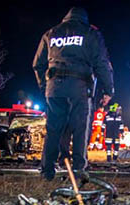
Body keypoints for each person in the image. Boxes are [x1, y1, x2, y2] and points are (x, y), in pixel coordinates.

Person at [32, 6, 114, 181]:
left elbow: (37, 64)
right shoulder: (90, 33)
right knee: (80, 128)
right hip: (80, 87)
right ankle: (79, 170)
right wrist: (108, 90)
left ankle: (47, 170)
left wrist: (44, 87)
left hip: (54, 88)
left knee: (53, 129)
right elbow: (102, 63)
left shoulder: (51, 33)